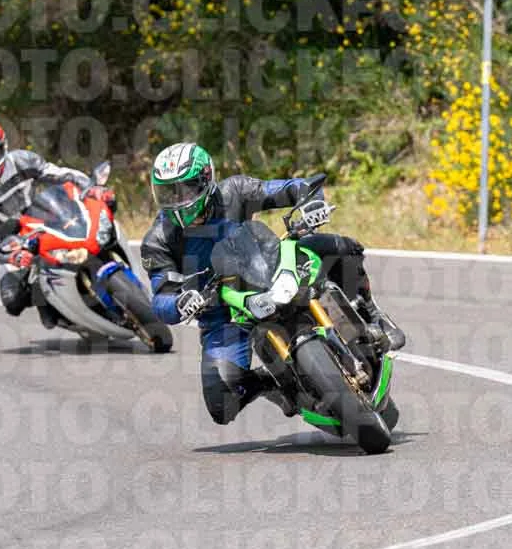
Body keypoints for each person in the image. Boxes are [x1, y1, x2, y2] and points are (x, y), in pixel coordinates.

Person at [140, 142, 406, 426]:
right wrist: (180, 302)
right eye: (168, 192)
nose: (177, 200)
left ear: (205, 180)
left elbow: (291, 188)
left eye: (184, 189)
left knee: (339, 247)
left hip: (267, 267)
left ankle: (371, 312)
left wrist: (310, 202)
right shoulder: (158, 240)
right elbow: (161, 297)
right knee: (221, 404)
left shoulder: (234, 191)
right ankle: (272, 383)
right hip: (223, 314)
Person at [0, 118, 112, 326]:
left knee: (94, 225)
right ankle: (50, 306)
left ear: (1, 147)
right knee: (13, 301)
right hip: (10, 240)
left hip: (43, 217)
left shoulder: (22, 160)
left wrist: (90, 186)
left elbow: (60, 174)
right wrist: (9, 256)